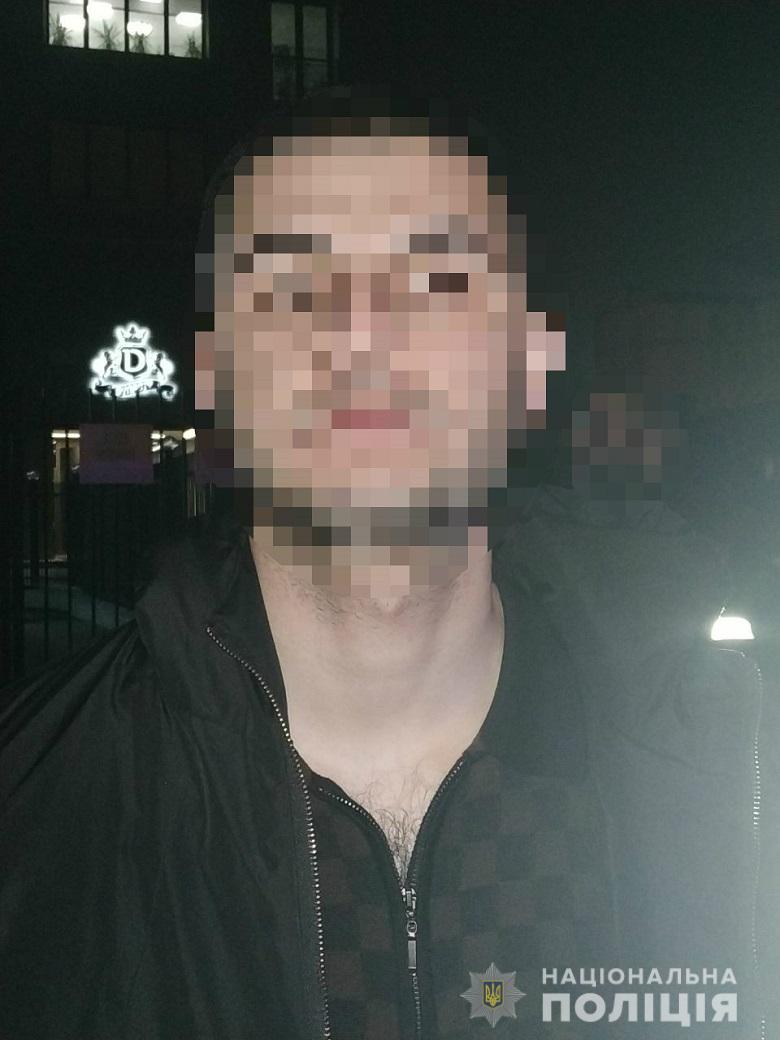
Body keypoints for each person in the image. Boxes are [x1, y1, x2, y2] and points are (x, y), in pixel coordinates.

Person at [0, 85, 776, 1040]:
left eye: (439, 276)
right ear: (215, 372)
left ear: (528, 363)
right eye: (294, 282)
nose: (362, 330)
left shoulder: (747, 772)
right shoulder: (32, 807)